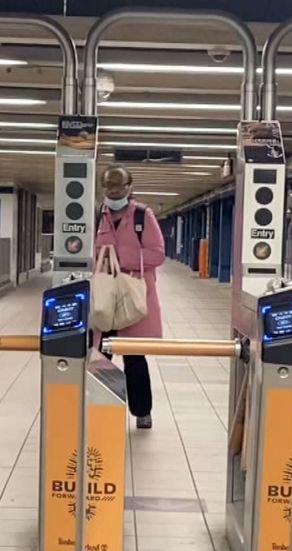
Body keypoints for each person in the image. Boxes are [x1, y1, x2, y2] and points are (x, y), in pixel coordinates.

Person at [94, 165, 166, 429]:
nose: (113, 192)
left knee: (134, 357)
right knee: (101, 355)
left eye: (118, 187)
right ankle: (102, 406)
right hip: (105, 295)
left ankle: (142, 411)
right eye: (108, 187)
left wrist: (121, 261)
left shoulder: (142, 216)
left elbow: (158, 254)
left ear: (129, 188)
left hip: (132, 294)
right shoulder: (95, 216)